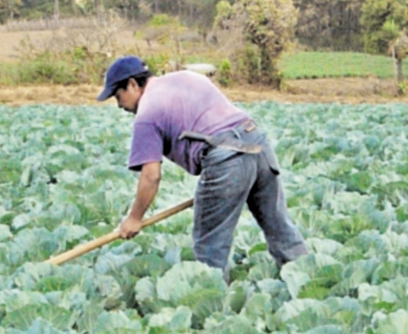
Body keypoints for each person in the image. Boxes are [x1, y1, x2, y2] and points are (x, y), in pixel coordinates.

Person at [98, 56, 307, 280]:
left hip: (227, 159)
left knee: (210, 245)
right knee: (279, 227)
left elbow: (151, 176)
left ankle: (215, 302)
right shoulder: (187, 77)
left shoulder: (146, 113)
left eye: (118, 97)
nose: (120, 105)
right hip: (258, 144)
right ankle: (305, 279)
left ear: (132, 84)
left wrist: (134, 218)